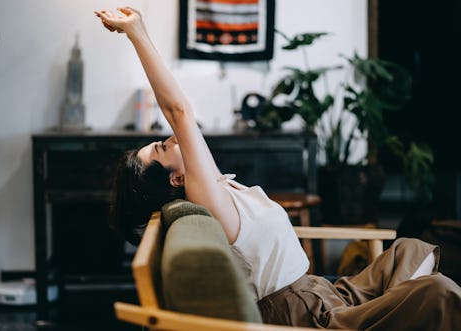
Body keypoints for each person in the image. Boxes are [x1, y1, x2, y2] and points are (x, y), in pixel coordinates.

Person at [94, 6, 461, 330]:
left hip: (325, 292)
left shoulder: (215, 186)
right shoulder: (207, 199)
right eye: (161, 147)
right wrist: (137, 32)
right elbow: (179, 112)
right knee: (436, 292)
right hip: (304, 315)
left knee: (410, 251)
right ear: (177, 178)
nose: (172, 138)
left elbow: (182, 119)